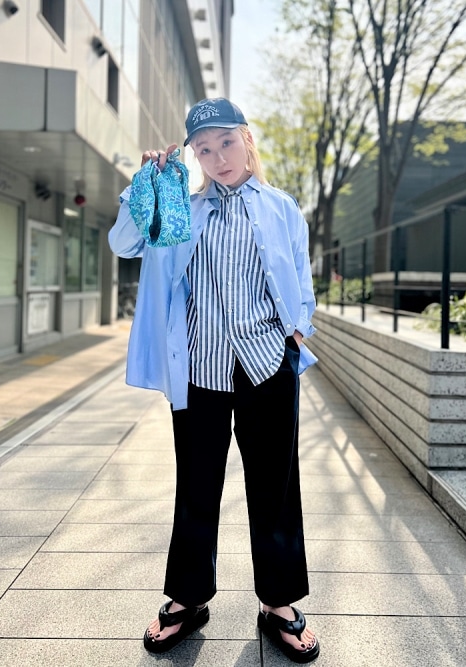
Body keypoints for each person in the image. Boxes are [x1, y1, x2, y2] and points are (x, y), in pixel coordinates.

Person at [108, 97, 320, 663]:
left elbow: (301, 280)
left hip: (266, 365)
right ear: (194, 156)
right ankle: (188, 597)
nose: (218, 157)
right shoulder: (182, 207)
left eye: (226, 142)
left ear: (246, 139)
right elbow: (123, 243)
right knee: (197, 485)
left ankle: (278, 602)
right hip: (200, 368)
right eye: (204, 149)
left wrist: (298, 331)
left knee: (275, 488)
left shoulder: (281, 208)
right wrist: (144, 187)